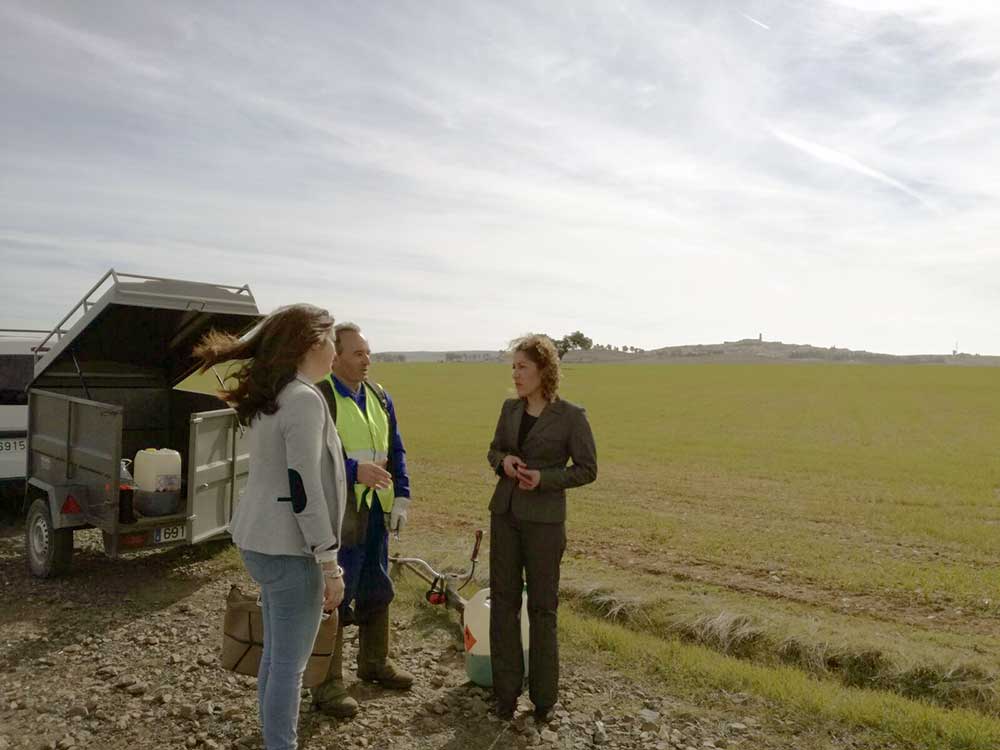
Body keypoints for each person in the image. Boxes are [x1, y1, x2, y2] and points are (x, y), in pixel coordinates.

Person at [193, 304, 347, 750]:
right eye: (333, 339)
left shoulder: (274, 394)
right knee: (289, 665)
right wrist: (329, 562)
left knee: (276, 656)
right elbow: (304, 488)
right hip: (289, 548)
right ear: (313, 342)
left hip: (259, 541)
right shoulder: (302, 398)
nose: (336, 350)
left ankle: (273, 739)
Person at [487, 334, 598, 722]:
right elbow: (494, 450)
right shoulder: (509, 409)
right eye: (513, 367)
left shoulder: (571, 416)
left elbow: (587, 470)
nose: (515, 375)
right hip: (504, 514)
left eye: (523, 367)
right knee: (503, 603)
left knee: (542, 608)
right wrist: (504, 464)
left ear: (543, 371)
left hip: (545, 524)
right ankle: (504, 693)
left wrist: (544, 477)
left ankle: (544, 699)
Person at [312, 322, 413, 718]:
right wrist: (356, 470)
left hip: (376, 510)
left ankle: (373, 664)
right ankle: (326, 685)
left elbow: (396, 448)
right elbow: (316, 459)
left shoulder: (380, 395)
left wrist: (402, 496)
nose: (366, 359)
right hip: (340, 512)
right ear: (334, 357)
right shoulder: (319, 398)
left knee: (377, 584)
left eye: (368, 352)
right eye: (358, 353)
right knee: (335, 593)